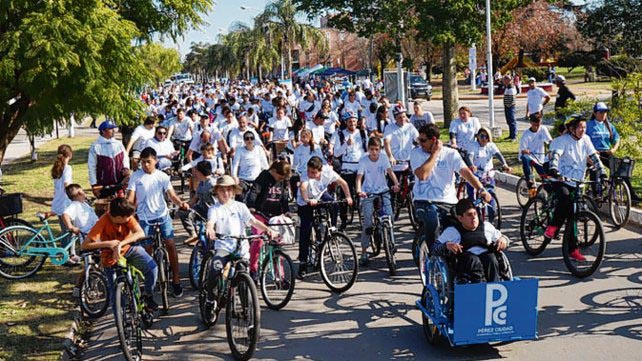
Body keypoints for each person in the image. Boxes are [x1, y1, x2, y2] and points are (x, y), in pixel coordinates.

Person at [410, 124, 492, 250]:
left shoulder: (451, 154)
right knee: (433, 219)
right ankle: (433, 253)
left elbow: (466, 173)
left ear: (434, 140)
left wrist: (481, 189)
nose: (420, 143)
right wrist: (435, 154)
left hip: (448, 202)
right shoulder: (416, 153)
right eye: (419, 140)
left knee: (464, 224)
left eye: (423, 140)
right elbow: (422, 175)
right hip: (424, 201)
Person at [126, 147, 190, 297]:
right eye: (143, 162)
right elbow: (130, 198)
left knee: (170, 244)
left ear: (156, 161)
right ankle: (148, 280)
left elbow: (171, 195)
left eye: (148, 162)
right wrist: (126, 211)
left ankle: (176, 280)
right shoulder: (136, 176)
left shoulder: (162, 176)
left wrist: (181, 203)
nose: (146, 165)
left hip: (162, 215)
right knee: (146, 248)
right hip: (144, 217)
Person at [204, 176, 279, 302]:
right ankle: (210, 300)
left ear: (233, 191)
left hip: (240, 248)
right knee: (215, 269)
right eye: (222, 190)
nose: (226, 193)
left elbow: (253, 221)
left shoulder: (240, 207)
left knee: (243, 276)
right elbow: (211, 221)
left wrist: (267, 229)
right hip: (223, 246)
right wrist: (210, 229)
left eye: (228, 190)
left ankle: (246, 309)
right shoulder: (215, 208)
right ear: (217, 192)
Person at [81, 197, 159, 311]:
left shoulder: (127, 216)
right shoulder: (103, 222)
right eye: (126, 217)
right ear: (118, 217)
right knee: (114, 292)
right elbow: (85, 245)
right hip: (110, 257)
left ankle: (148, 295)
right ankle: (121, 318)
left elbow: (140, 233)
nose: (129, 219)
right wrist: (108, 244)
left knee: (152, 268)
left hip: (129, 249)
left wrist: (120, 244)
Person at [546, 115, 606, 261]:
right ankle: (552, 227)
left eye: (584, 127)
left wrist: (602, 171)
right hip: (561, 179)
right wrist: (554, 169)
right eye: (580, 127)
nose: (583, 130)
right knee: (565, 199)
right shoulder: (561, 141)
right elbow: (555, 156)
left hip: (577, 181)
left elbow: (594, 156)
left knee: (575, 213)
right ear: (572, 128)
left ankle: (573, 250)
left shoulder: (586, 140)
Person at [296, 156, 353, 278]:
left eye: (314, 173)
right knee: (306, 229)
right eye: (309, 171)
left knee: (334, 205)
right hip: (306, 201)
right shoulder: (305, 175)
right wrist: (307, 200)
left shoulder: (328, 172)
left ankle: (331, 229)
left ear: (320, 171)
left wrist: (348, 197)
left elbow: (343, 183)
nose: (310, 174)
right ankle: (303, 262)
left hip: (320, 195)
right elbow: (303, 188)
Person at [435, 199, 508, 283]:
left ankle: (495, 285)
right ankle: (479, 287)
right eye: (469, 215)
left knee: (491, 259)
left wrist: (503, 240)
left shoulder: (487, 227)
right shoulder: (452, 232)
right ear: (460, 218)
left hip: (487, 259)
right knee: (473, 261)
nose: (473, 217)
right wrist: (446, 245)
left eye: (475, 214)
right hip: (465, 264)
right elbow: (435, 248)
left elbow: (503, 238)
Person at [355, 137, 400, 266]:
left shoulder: (384, 158)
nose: (374, 152)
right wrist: (359, 190)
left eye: (376, 149)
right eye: (371, 149)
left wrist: (396, 184)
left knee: (389, 217)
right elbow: (359, 177)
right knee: (368, 222)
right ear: (368, 149)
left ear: (380, 149)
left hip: (383, 190)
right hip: (368, 192)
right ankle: (364, 251)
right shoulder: (363, 160)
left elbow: (390, 173)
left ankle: (391, 242)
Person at [245, 160, 292, 280]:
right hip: (260, 213)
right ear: (274, 171)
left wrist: (286, 210)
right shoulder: (264, 176)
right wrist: (251, 205)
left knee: (277, 244)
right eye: (280, 177)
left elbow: (284, 197)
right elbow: (254, 191)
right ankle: (253, 270)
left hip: (275, 215)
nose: (281, 180)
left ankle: (279, 276)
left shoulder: (283, 180)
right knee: (258, 241)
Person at [586, 102, 641, 203]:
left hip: (606, 153)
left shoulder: (609, 126)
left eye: (605, 112)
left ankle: (632, 196)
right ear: (594, 113)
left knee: (621, 170)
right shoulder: (588, 125)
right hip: (593, 154)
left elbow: (617, 139)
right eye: (601, 112)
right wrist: (591, 152)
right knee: (595, 170)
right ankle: (596, 194)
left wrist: (613, 149)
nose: (603, 114)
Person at [328, 111, 367, 229]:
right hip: (347, 166)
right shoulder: (340, 134)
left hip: (361, 166)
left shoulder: (362, 133)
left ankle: (364, 217)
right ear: (346, 122)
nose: (353, 123)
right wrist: (346, 144)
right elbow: (336, 153)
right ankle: (344, 221)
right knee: (346, 195)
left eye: (354, 121)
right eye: (350, 121)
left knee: (364, 193)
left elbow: (367, 149)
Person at [88, 119, 130, 198]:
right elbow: (92, 167)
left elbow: (125, 158)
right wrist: (94, 184)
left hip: (119, 182)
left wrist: (126, 168)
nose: (113, 131)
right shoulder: (96, 146)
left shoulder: (118, 144)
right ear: (103, 131)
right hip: (103, 184)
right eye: (110, 129)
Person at [179, 161, 217, 243]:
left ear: (200, 172)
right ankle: (193, 234)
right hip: (202, 209)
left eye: (196, 171)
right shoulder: (201, 184)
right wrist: (187, 204)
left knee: (212, 239)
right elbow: (195, 198)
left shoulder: (213, 185)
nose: (195, 174)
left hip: (213, 213)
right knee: (183, 213)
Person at [61, 184, 99, 265]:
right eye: (82, 191)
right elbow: (65, 215)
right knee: (90, 259)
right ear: (79, 193)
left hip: (95, 233)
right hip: (86, 235)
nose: (84, 193)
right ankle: (90, 272)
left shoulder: (84, 204)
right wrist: (70, 227)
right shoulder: (75, 205)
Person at [231, 130, 269, 199]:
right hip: (243, 178)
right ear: (244, 140)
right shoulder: (239, 150)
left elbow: (265, 164)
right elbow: (235, 164)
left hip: (257, 178)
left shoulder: (259, 149)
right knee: (239, 195)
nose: (249, 140)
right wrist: (234, 177)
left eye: (251, 138)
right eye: (247, 138)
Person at [519, 113, 552, 193]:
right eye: (535, 125)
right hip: (530, 157)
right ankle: (529, 180)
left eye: (538, 124)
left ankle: (547, 197)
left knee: (546, 178)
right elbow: (522, 150)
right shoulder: (526, 134)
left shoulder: (543, 129)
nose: (537, 127)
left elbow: (550, 141)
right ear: (531, 123)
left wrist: (551, 149)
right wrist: (525, 151)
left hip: (540, 158)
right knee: (525, 158)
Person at [502, 74, 518, 141]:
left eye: (506, 79)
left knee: (512, 121)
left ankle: (514, 136)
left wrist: (508, 105)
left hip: (510, 107)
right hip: (507, 106)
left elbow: (512, 99)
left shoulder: (511, 87)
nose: (504, 80)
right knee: (509, 121)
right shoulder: (507, 87)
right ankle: (511, 135)